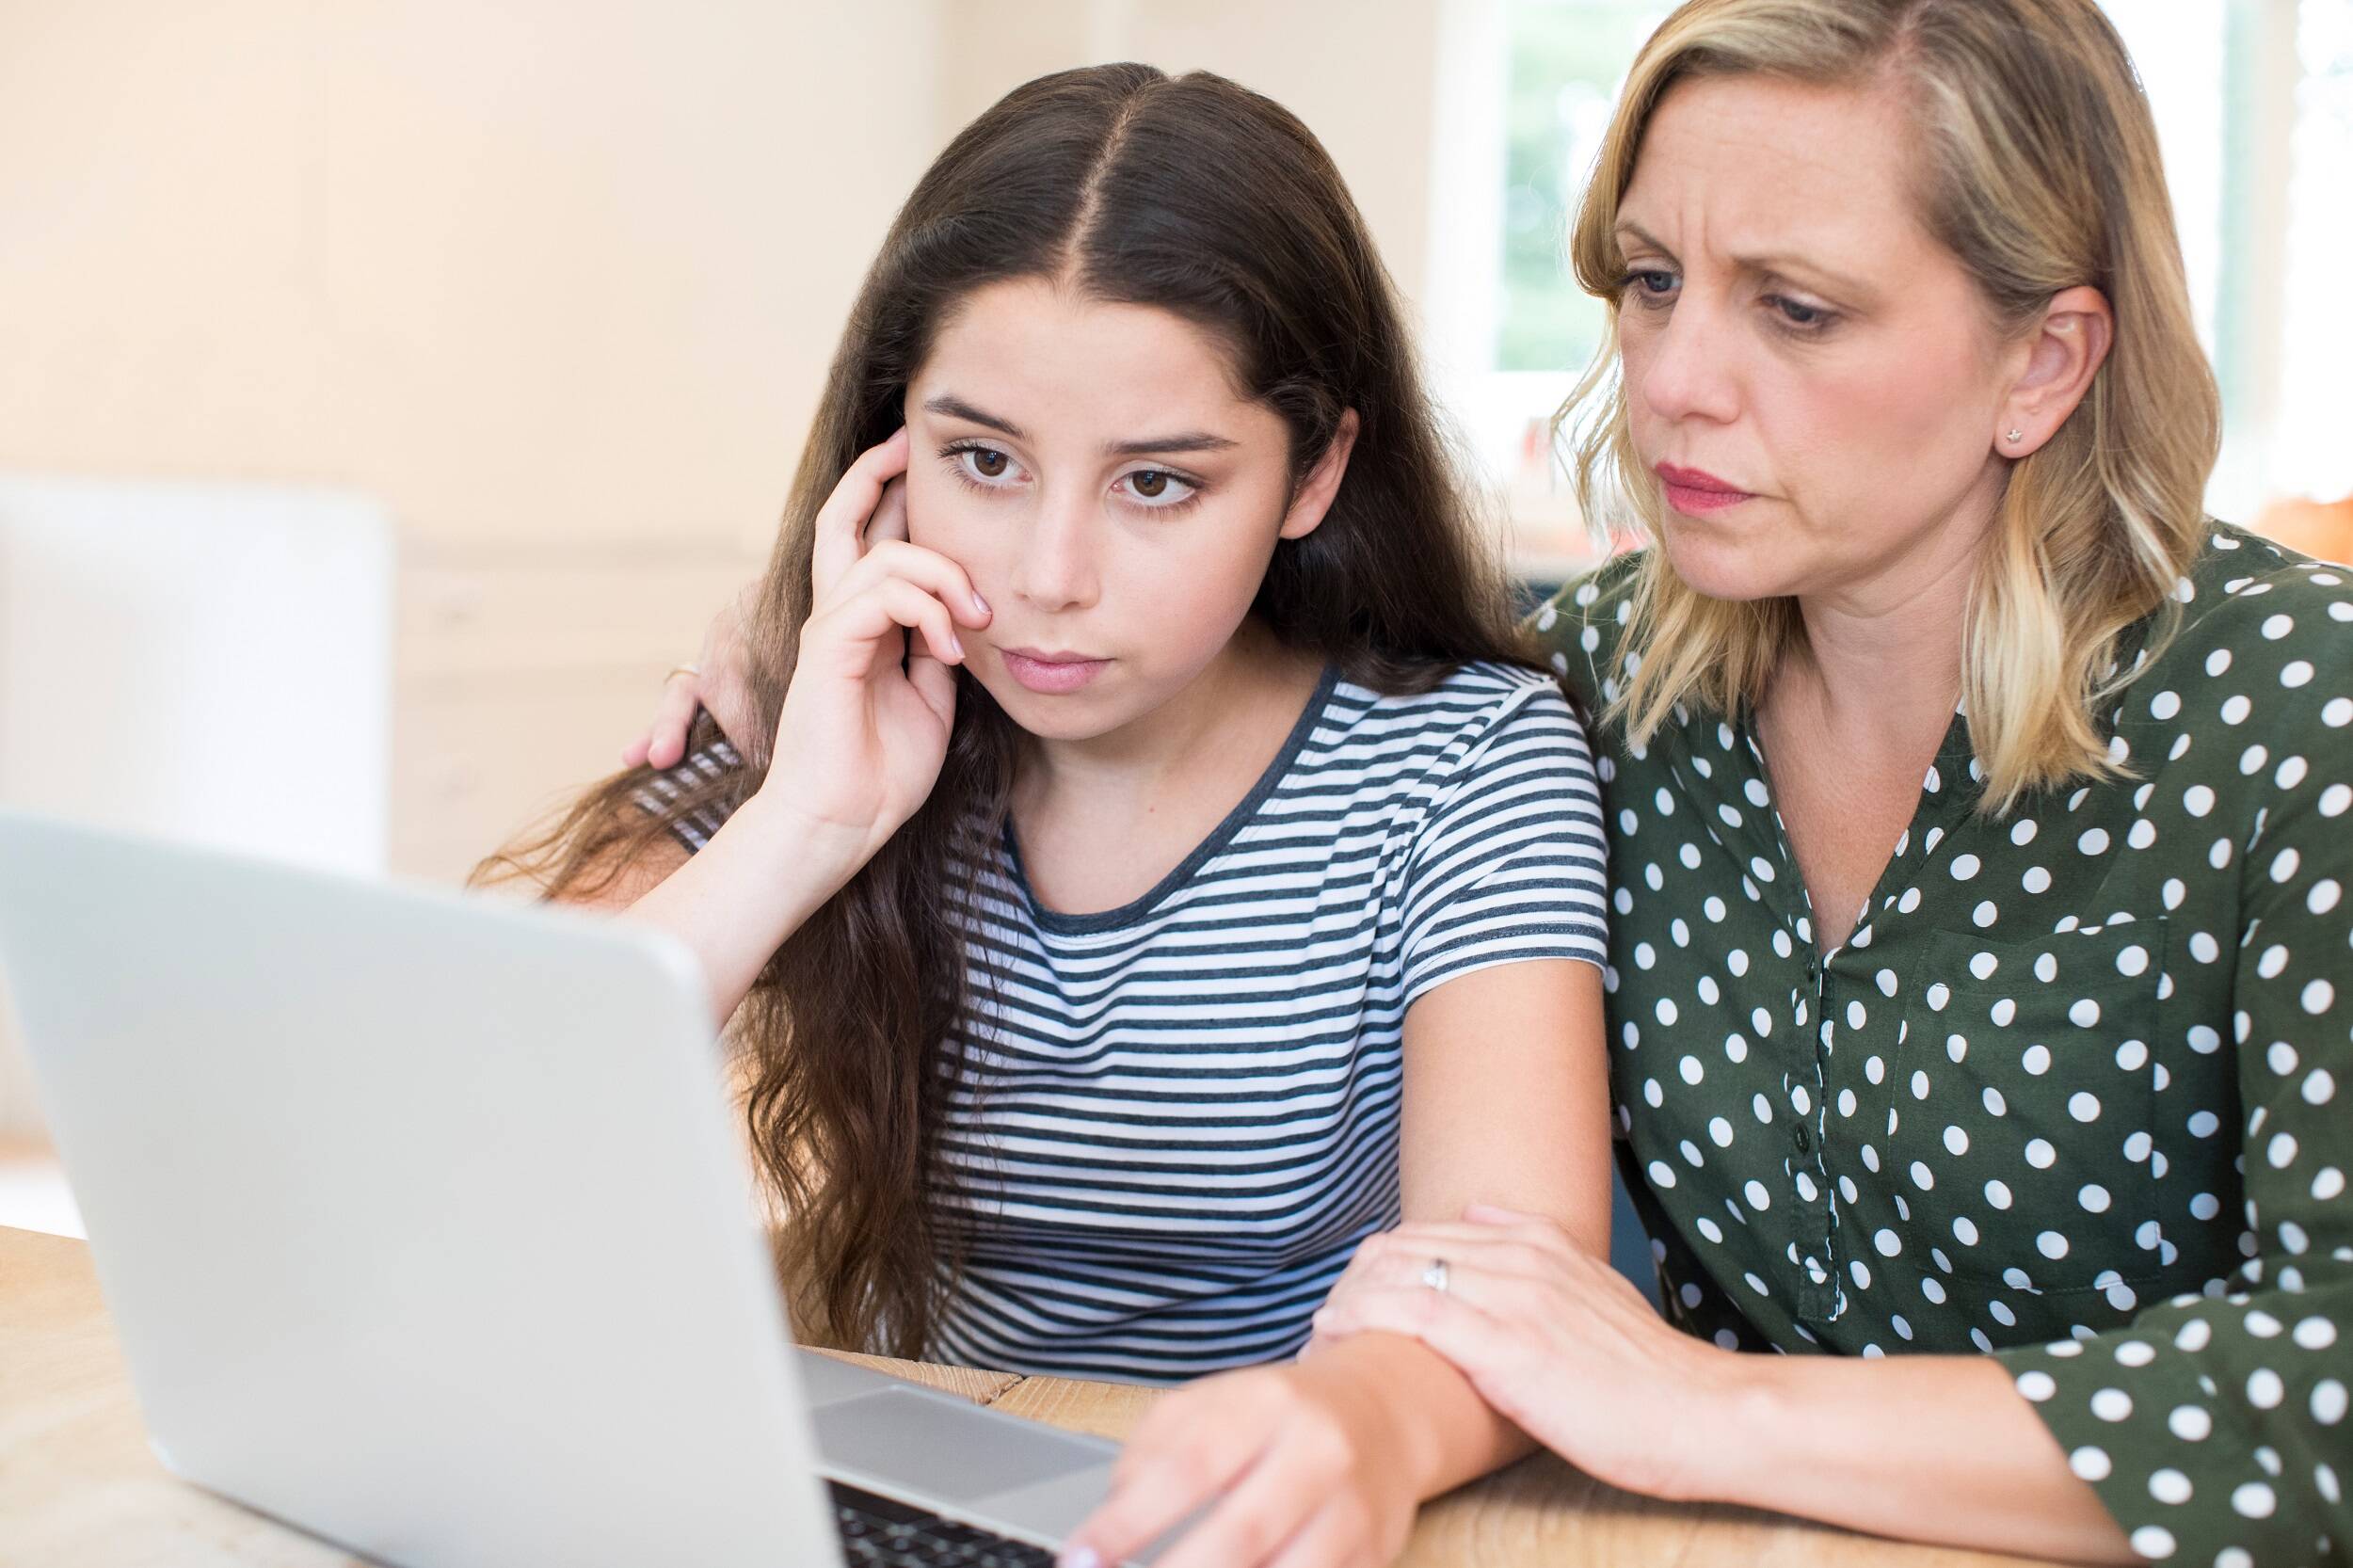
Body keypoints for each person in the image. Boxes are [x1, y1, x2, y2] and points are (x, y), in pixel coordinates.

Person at [649, 4, 2349, 1566]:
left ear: (2043, 363)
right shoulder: (1603, 675)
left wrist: (1704, 1401)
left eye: (1798, 306)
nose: (1672, 377)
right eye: (1650, 279)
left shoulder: (2300, 712)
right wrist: (786, 646)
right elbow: (1251, 635)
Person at [490, 63, 1615, 1568]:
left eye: (1156, 484)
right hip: (916, 1486)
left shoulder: (1460, 764)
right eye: (982, 461)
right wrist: (807, 815)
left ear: (1316, 469)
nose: (1049, 574)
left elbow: (1510, 1277)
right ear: (885, 454)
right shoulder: (842, 696)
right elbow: (477, 1115)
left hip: (1273, 1508)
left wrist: (1343, 1424)